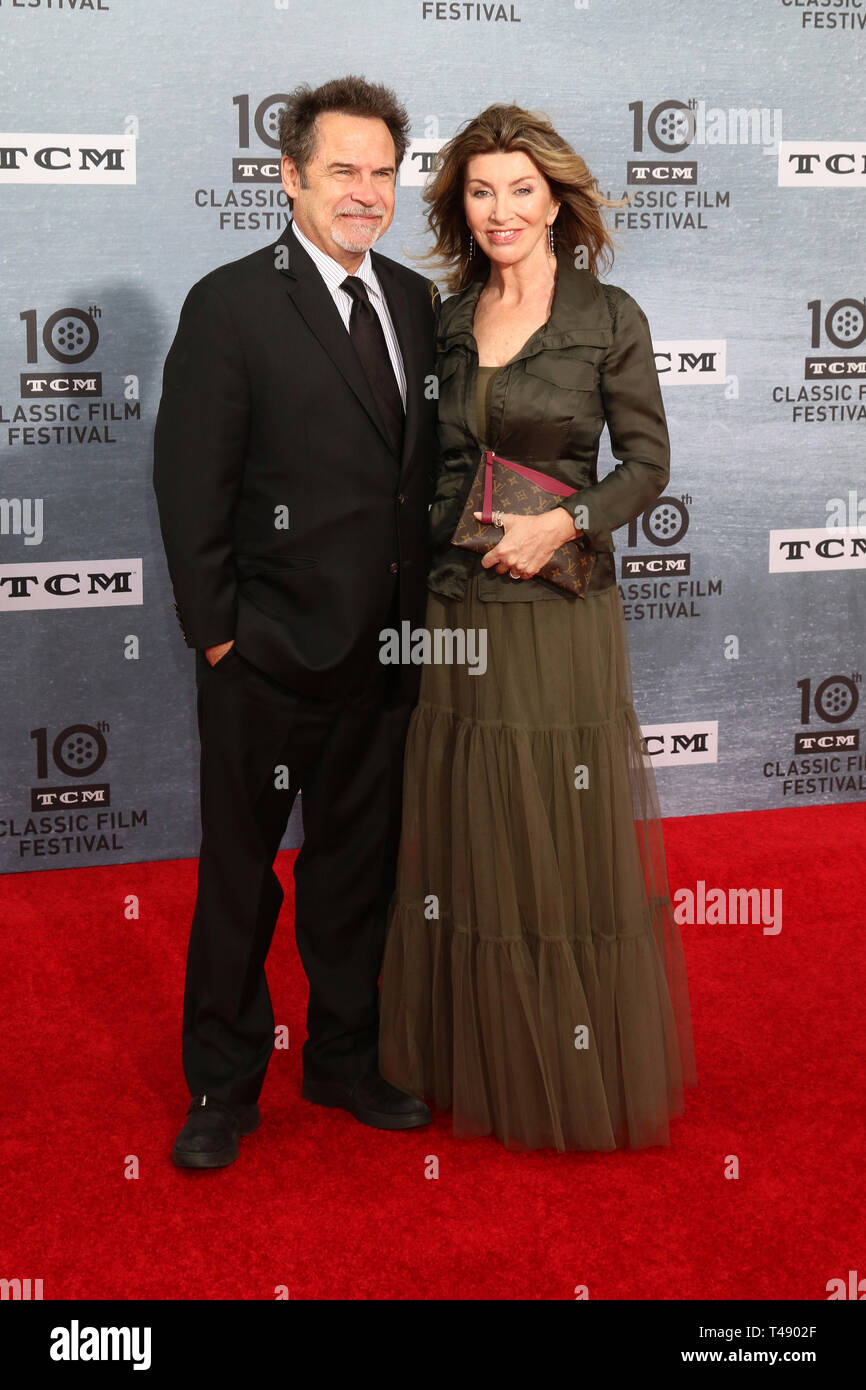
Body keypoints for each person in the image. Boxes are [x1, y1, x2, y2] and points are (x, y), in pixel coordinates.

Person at [378, 104, 697, 1153]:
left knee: (550, 833)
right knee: (466, 823)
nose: (500, 209)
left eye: (520, 189)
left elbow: (645, 467)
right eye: (479, 191)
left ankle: (562, 1064)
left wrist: (566, 516)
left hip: (553, 611)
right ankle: (470, 1052)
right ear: (458, 206)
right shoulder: (439, 317)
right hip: (449, 607)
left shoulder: (608, 316)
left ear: (555, 199)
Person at [153, 75, 439, 1169]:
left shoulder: (412, 301)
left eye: (381, 172)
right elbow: (190, 487)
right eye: (341, 172)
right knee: (239, 879)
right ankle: (222, 1087)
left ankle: (342, 1059)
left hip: (382, 659)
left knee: (352, 873)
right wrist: (220, 635)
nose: (364, 193)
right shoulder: (230, 303)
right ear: (289, 177)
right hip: (264, 661)